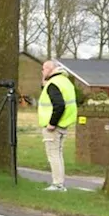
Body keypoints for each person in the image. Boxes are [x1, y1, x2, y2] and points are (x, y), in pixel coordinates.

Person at [37, 60, 78, 192]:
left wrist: (52, 123)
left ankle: (57, 184)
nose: (42, 72)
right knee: (58, 154)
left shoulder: (53, 84)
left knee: (53, 155)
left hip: (53, 126)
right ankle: (59, 183)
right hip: (64, 123)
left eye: (43, 69)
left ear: (49, 69)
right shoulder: (65, 81)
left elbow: (59, 104)